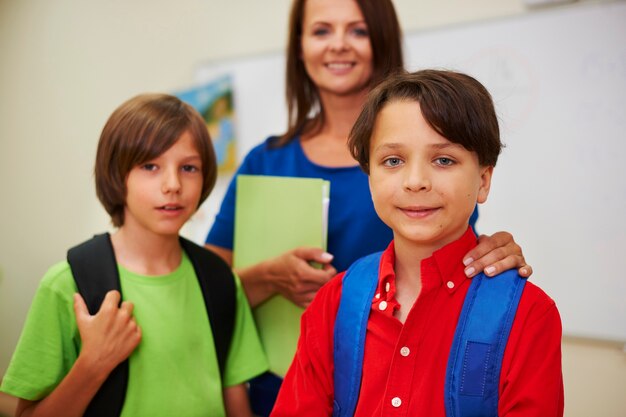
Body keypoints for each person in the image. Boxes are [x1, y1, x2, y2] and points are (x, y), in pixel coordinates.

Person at [205, 0, 532, 414]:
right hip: (281, 386)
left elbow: (457, 258)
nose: (339, 45)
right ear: (299, 46)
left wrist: (497, 253)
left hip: (397, 385)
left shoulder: (428, 185)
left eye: (357, 30)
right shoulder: (265, 162)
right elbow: (204, 292)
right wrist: (268, 278)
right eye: (322, 31)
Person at [271, 69, 564, 416]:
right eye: (393, 161)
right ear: (370, 178)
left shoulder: (528, 314)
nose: (415, 181)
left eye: (443, 160)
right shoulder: (333, 303)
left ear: (483, 180)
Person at [0, 94, 268, 417]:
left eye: (189, 168)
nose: (173, 185)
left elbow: (235, 403)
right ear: (116, 174)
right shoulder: (68, 285)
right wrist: (93, 363)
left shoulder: (220, 281)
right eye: (150, 166)